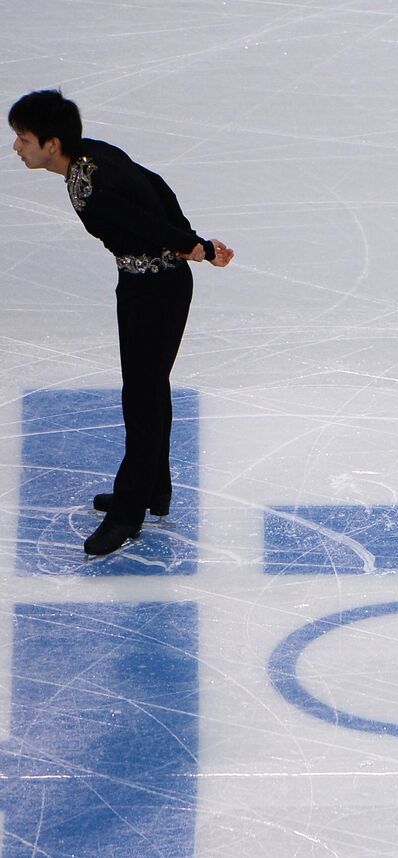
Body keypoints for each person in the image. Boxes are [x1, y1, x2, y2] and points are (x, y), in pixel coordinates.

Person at [9, 89, 234, 555]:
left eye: (24, 139)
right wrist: (189, 238)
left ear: (52, 143)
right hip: (143, 286)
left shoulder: (86, 187)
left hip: (157, 292)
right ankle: (153, 488)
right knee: (149, 389)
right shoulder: (94, 153)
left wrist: (197, 246)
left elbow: (145, 221)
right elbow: (156, 183)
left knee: (142, 397)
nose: (17, 148)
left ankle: (128, 514)